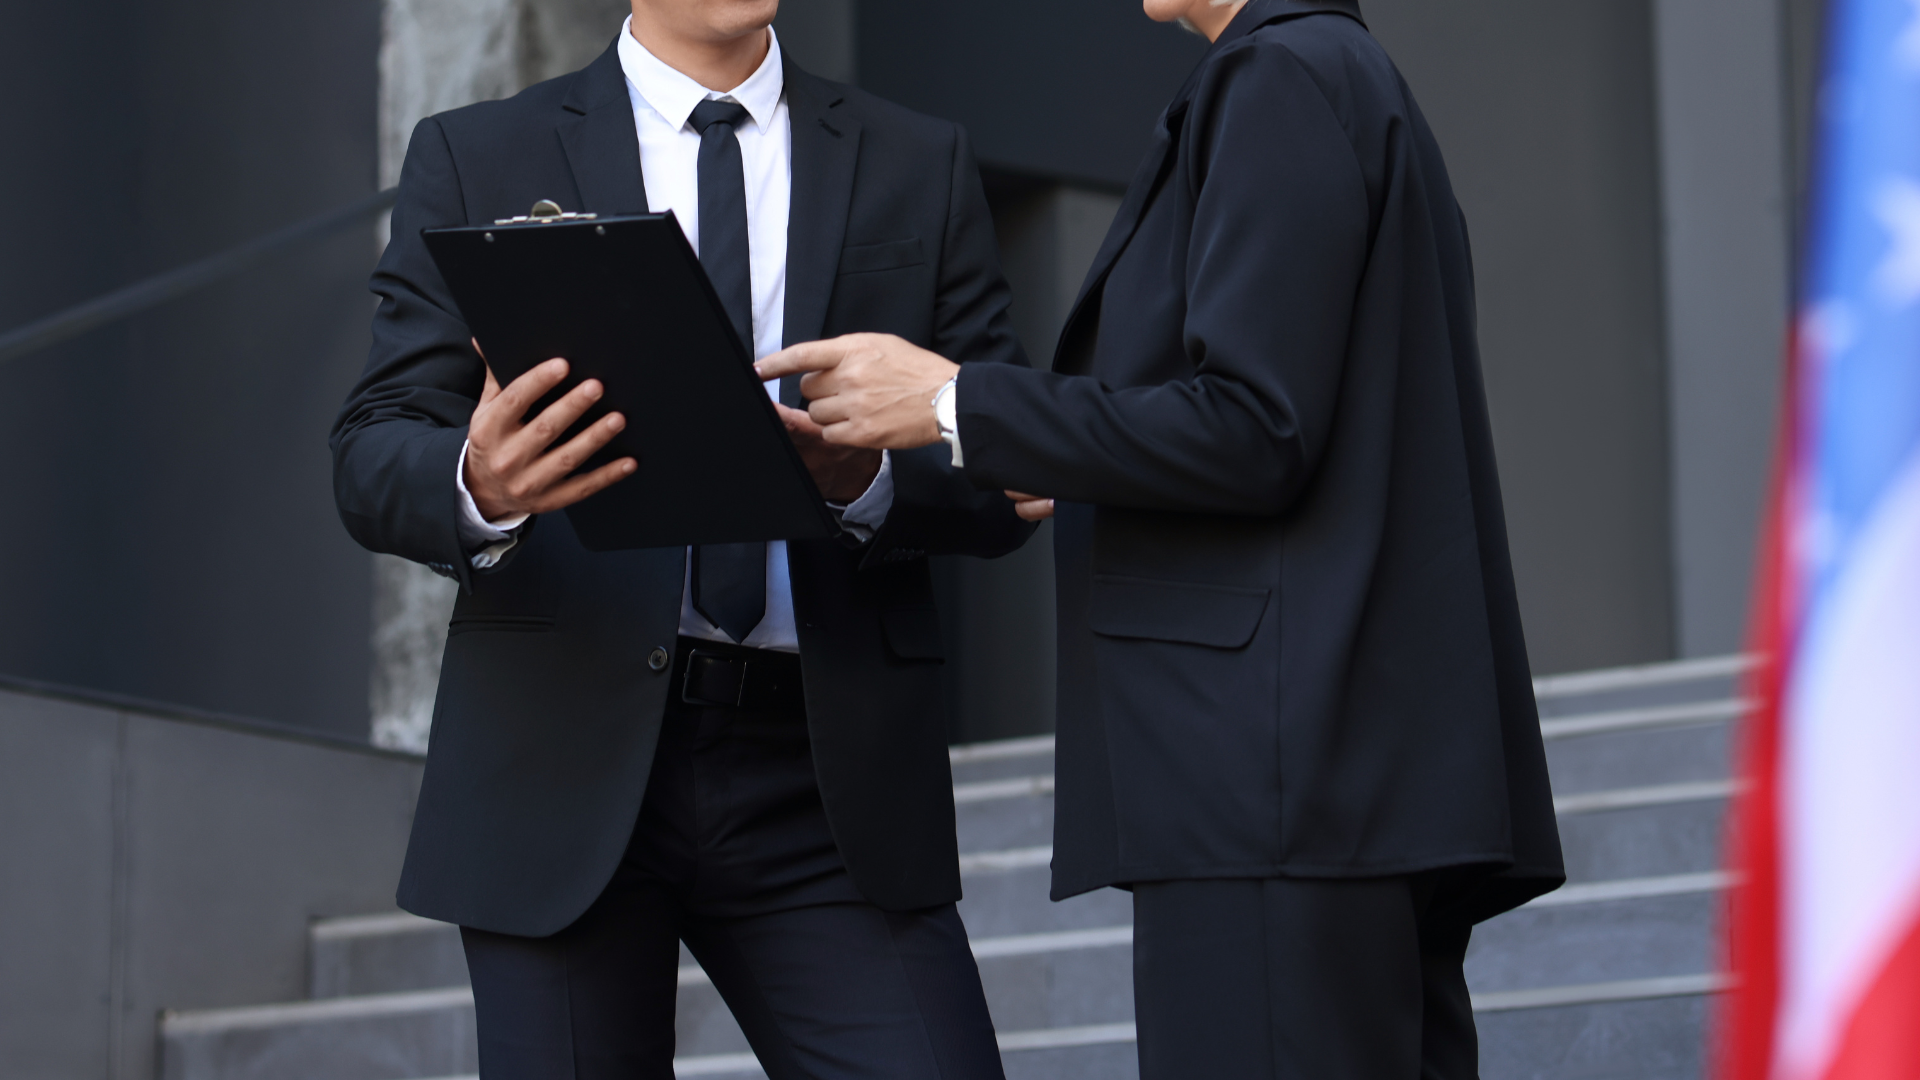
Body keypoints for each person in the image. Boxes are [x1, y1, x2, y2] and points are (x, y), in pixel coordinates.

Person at [755, 0, 1566, 1075]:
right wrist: (1052, 451)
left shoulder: (1277, 78)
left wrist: (959, 401)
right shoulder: (1337, 76)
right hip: (1327, 781)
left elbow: (1254, 425)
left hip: (1274, 783)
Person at [329, 0, 1036, 1075]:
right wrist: (480, 478)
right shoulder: (483, 153)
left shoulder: (916, 161)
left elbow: (1002, 469)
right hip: (560, 761)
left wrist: (869, 480)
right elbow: (371, 452)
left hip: (827, 777)